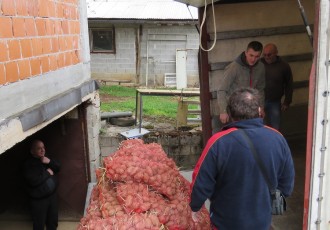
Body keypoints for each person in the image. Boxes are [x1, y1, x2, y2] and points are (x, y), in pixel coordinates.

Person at [190, 87, 295, 230]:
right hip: (261, 222)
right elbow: (287, 185)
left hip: (225, 222)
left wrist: (194, 207)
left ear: (230, 113)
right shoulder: (277, 138)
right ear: (259, 111)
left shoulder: (218, 142)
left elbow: (201, 182)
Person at [214, 41, 265, 133]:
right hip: (234, 109)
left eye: (257, 56)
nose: (253, 59)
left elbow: (260, 89)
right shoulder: (234, 67)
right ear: (245, 53)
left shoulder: (261, 67)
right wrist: (223, 111)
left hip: (250, 109)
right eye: (251, 55)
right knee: (235, 135)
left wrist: (261, 106)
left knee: (250, 134)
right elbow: (222, 90)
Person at [23, 140, 61, 230]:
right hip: (39, 201)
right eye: (39, 148)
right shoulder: (28, 164)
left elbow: (58, 167)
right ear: (32, 151)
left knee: (53, 222)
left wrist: (49, 162)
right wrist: (47, 173)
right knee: (39, 225)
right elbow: (34, 181)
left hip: (52, 197)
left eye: (43, 147)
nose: (42, 150)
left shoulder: (45, 159)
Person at [261, 43, 293, 130]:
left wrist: (287, 101)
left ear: (276, 53)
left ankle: (275, 143)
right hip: (260, 102)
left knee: (275, 127)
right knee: (260, 126)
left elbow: (289, 84)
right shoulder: (259, 64)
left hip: (274, 102)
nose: (267, 57)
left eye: (269, 54)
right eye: (264, 55)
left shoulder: (284, 66)